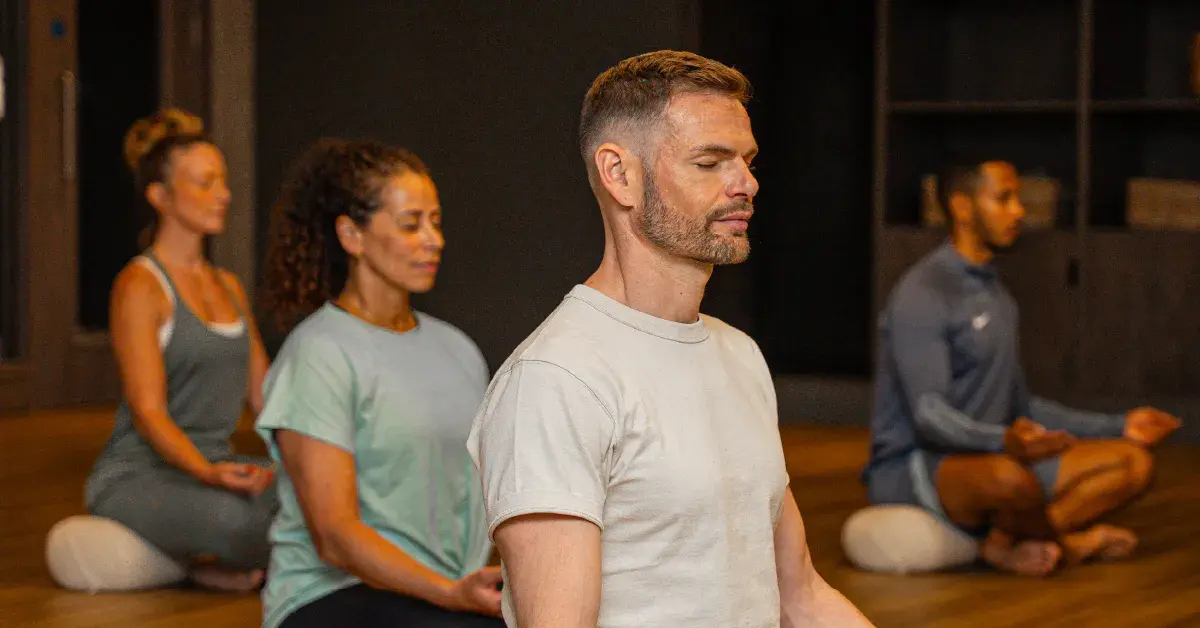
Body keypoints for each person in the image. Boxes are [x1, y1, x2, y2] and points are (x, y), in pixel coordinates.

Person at [466, 50, 874, 628]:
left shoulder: (740, 354)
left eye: (748, 161)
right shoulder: (555, 380)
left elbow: (799, 594)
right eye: (710, 162)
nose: (747, 184)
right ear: (620, 175)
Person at [863, 158, 1183, 577]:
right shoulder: (923, 292)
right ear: (962, 208)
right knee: (1010, 479)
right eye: (1003, 199)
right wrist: (1005, 441)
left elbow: (1020, 406)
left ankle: (1006, 543)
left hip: (997, 453)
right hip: (916, 464)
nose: (1018, 211)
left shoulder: (998, 295)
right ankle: (1061, 543)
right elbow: (928, 415)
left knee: (1133, 462)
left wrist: (1118, 426)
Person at [254, 138, 503, 628]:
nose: (434, 239)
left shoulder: (459, 350)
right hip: (332, 595)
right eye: (411, 224)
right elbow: (335, 536)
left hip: (445, 591)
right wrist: (448, 593)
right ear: (351, 235)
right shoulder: (319, 353)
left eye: (435, 221)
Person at [84, 109, 277, 591]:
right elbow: (149, 413)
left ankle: (203, 565)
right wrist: (209, 474)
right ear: (160, 196)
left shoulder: (229, 286)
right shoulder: (139, 286)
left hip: (219, 465)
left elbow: (266, 398)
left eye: (223, 181)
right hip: (138, 476)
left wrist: (315, 461)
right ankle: (197, 566)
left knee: (327, 495)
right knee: (250, 526)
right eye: (206, 183)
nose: (224, 195)